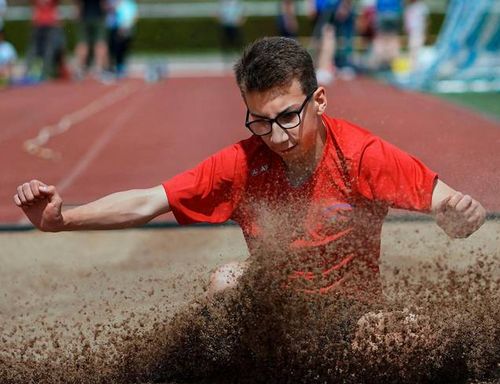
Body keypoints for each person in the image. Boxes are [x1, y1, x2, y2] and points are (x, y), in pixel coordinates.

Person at [14, 36, 486, 347]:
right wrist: (63, 220)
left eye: (287, 117)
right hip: (275, 319)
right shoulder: (242, 163)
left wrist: (459, 212)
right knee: (226, 280)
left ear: (318, 101)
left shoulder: (361, 154)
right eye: (259, 121)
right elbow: (148, 200)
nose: (276, 135)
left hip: (352, 319)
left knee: (407, 337)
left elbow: (444, 200)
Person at [25, 0, 66, 80]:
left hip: (50, 24)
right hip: (40, 24)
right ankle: (36, 73)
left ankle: (44, 73)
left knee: (48, 50)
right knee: (37, 50)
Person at [74, 0, 108, 78]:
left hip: (84, 16)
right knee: (100, 42)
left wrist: (78, 11)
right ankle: (99, 69)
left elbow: (77, 3)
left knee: (82, 43)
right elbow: (104, 4)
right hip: (98, 16)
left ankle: (80, 69)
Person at [106, 0, 137, 77]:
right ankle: (112, 67)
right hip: (113, 28)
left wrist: (124, 26)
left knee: (121, 48)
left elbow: (132, 15)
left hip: (124, 28)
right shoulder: (113, 2)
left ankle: (120, 67)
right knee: (112, 48)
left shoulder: (129, 3)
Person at [404, 0, 429, 70]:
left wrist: (425, 32)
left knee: (416, 49)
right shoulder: (409, 7)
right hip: (412, 33)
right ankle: (413, 67)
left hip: (419, 31)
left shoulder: (421, 7)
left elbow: (426, 20)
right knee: (412, 49)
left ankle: (416, 67)